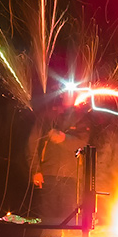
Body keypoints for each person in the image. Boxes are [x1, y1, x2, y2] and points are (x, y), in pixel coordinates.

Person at [28, 93, 90, 225]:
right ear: (61, 94)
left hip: (71, 179)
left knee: (69, 219)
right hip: (48, 175)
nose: (70, 94)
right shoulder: (47, 116)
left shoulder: (81, 118)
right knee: (47, 219)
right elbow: (32, 143)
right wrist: (35, 170)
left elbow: (83, 145)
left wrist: (63, 138)